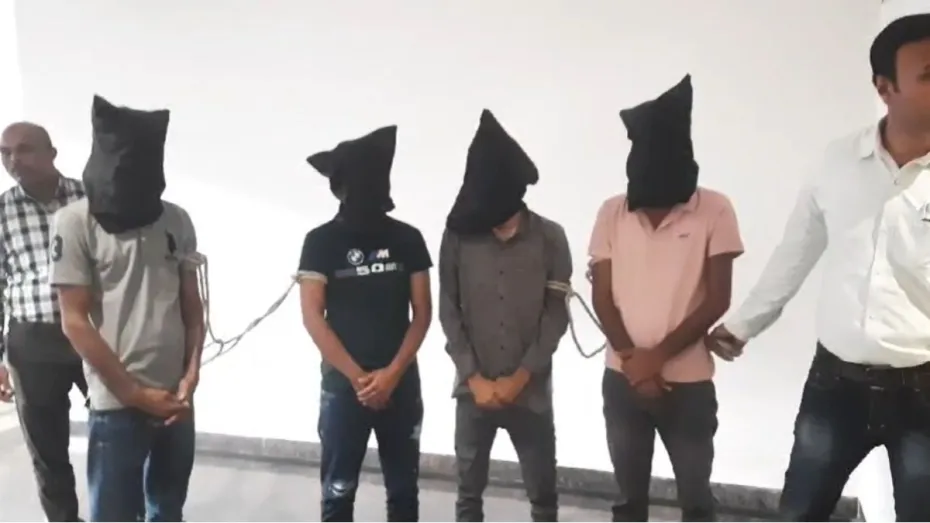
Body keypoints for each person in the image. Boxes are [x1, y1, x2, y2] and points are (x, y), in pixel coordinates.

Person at [704, 3, 930, 521]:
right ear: (884, 88)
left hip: (924, 392)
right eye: (928, 75)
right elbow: (797, 249)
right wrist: (744, 324)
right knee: (800, 511)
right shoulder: (838, 162)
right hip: (835, 386)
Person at [588, 75, 744, 522]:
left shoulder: (715, 209)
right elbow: (602, 297)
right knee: (628, 500)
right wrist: (633, 362)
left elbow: (717, 298)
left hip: (688, 384)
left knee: (695, 498)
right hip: (622, 380)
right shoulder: (612, 211)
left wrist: (654, 359)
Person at [50, 95, 204, 522]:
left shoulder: (176, 220)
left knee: (167, 508)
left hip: (175, 396)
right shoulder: (75, 222)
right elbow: (74, 319)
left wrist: (191, 376)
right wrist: (133, 392)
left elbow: (192, 306)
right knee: (114, 514)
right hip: (116, 402)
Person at [440, 109, 572, 522]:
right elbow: (448, 309)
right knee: (467, 496)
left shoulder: (551, 238)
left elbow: (556, 315)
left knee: (543, 496)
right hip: (472, 392)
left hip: (530, 392)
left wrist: (522, 376)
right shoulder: (458, 236)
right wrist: (473, 376)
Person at [299, 125, 432, 522]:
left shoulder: (408, 239)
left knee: (403, 494)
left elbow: (422, 312)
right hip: (344, 388)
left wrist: (391, 375)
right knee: (338, 493)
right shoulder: (320, 242)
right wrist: (359, 379)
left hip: (400, 385)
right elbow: (312, 317)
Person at [0, 122, 87, 522]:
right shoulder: (3, 211)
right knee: (47, 450)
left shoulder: (90, 198)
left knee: (122, 432)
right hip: (32, 340)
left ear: (52, 152)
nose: (14, 160)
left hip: (94, 334)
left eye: (25, 149)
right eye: (5, 153)